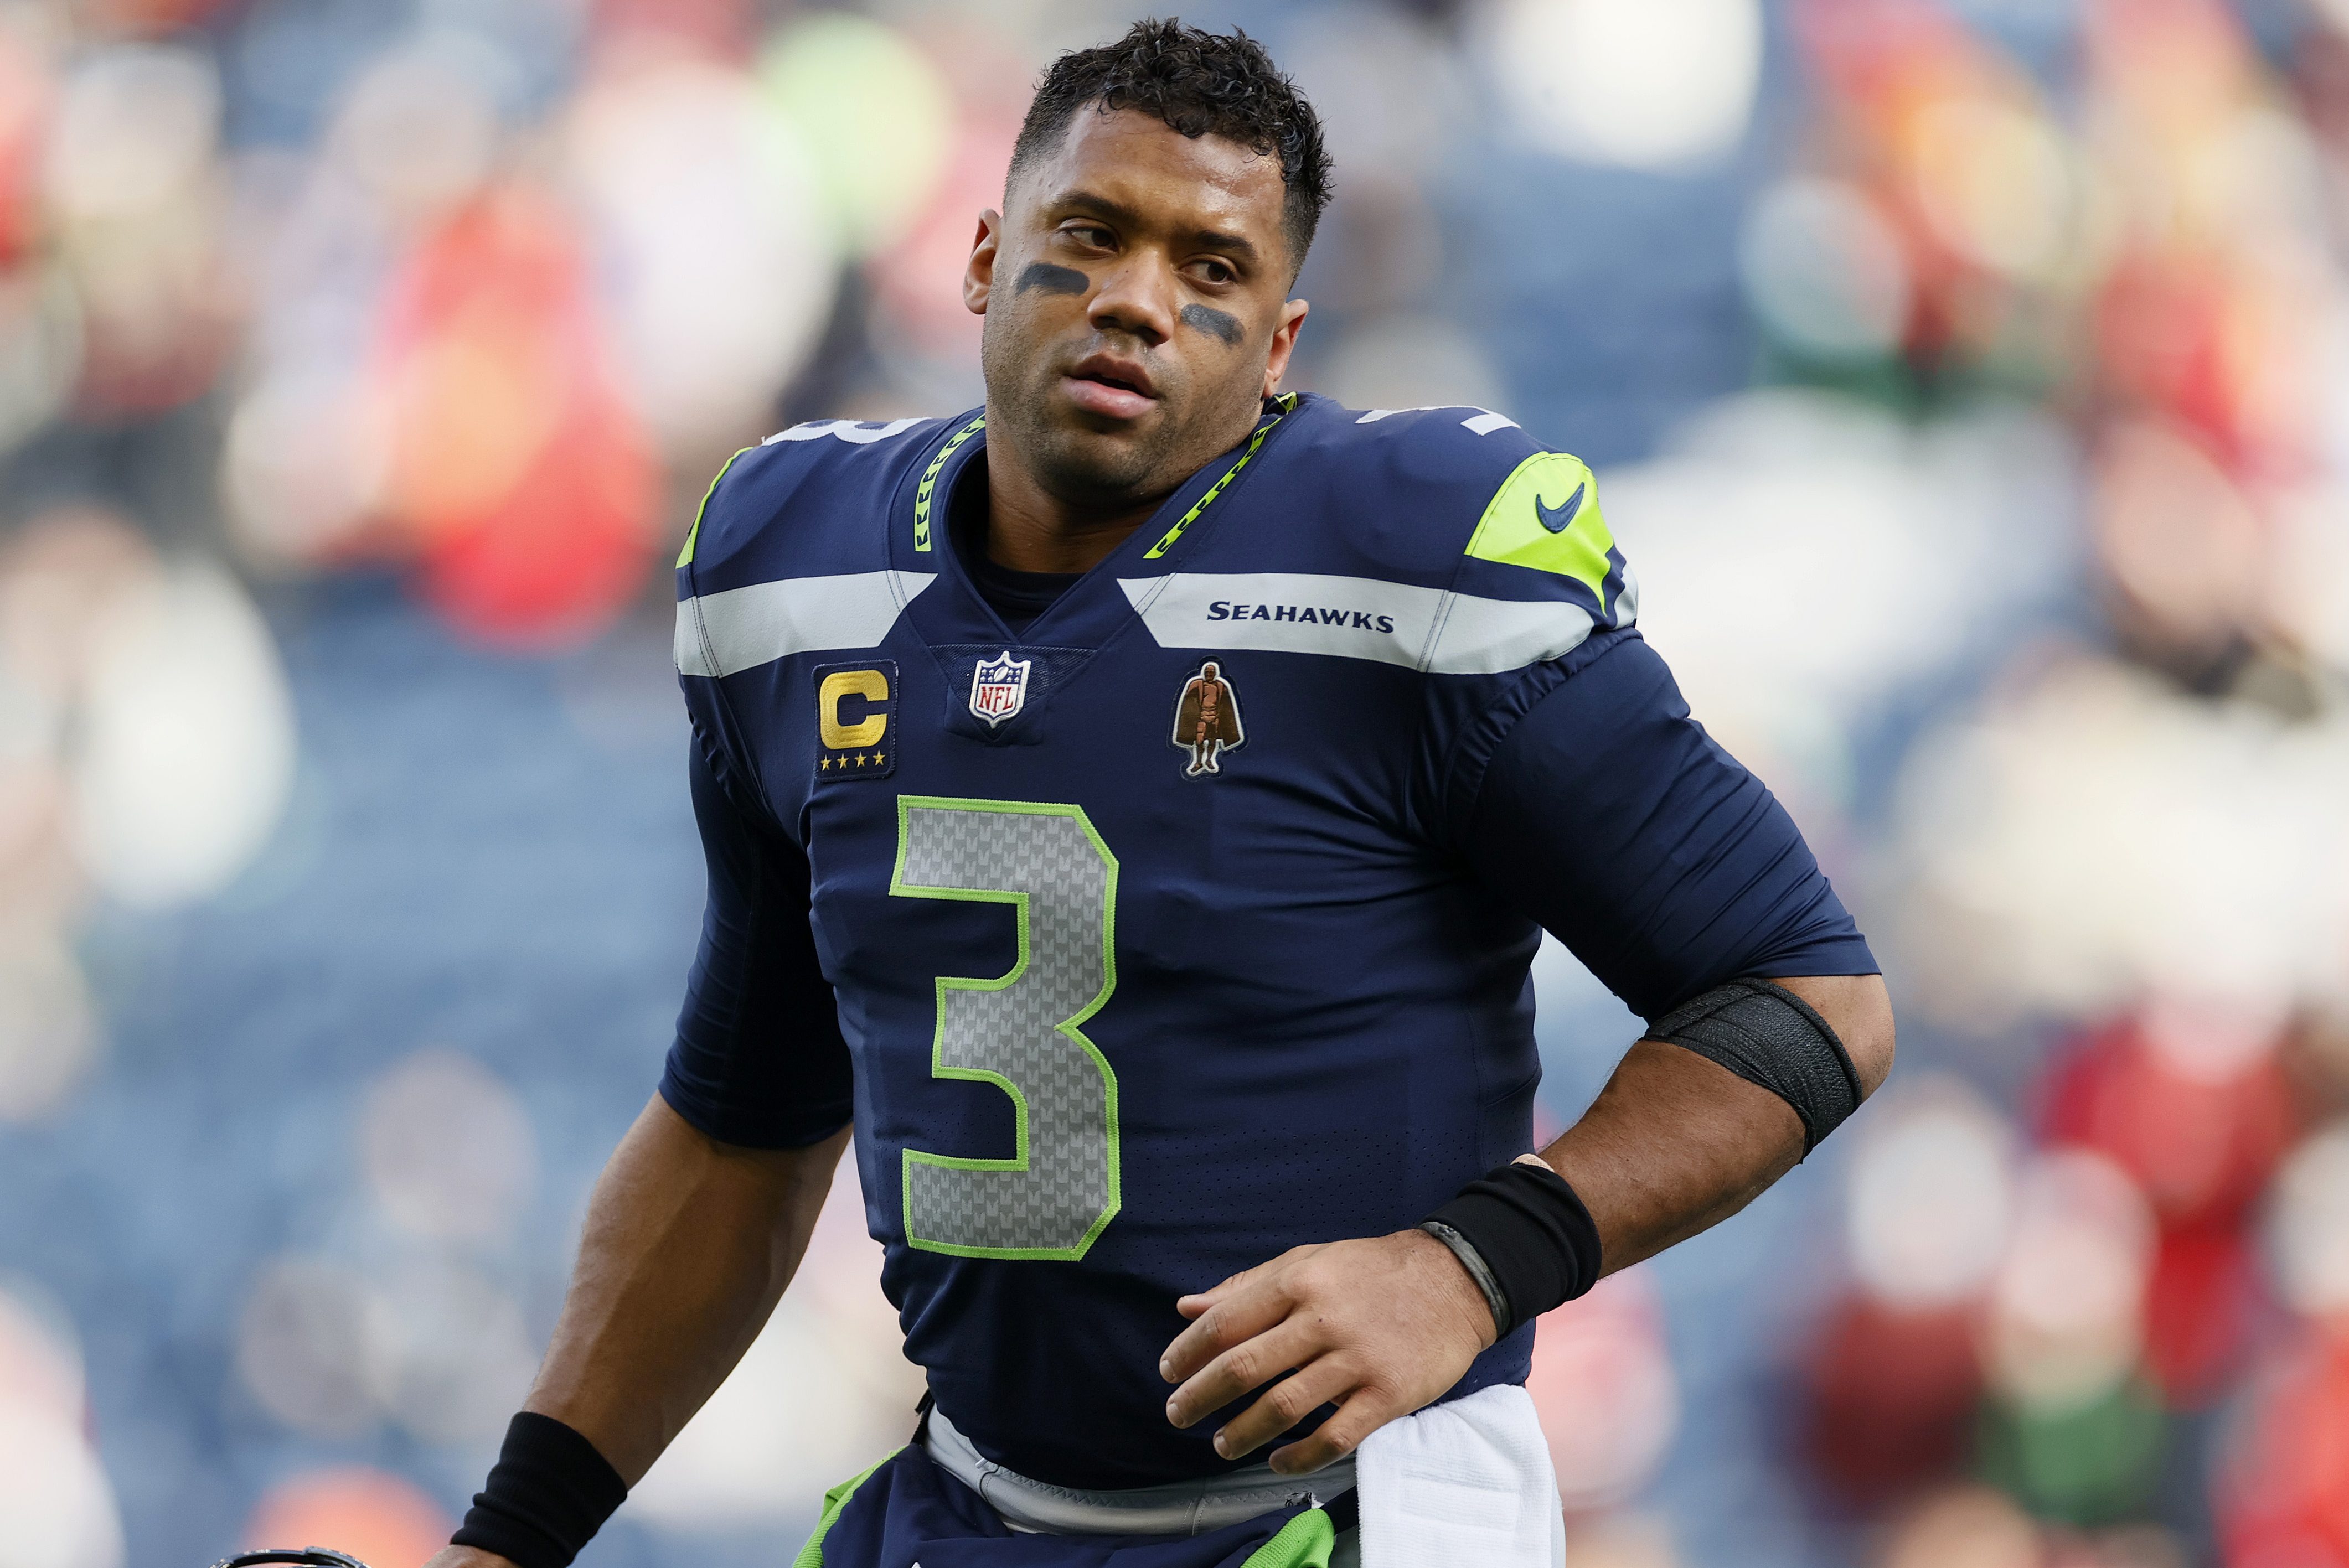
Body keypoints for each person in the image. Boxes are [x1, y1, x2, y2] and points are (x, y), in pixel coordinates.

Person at [426, 20, 1894, 1568]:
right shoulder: (795, 566)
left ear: (1278, 344)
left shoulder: (1405, 560)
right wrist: (509, 1540)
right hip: (966, 1504)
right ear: (985, 257)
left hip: (1345, 1514)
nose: (1138, 298)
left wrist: (1468, 1263)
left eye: (1211, 268)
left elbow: (1804, 993)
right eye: (1092, 233)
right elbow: (740, 1129)